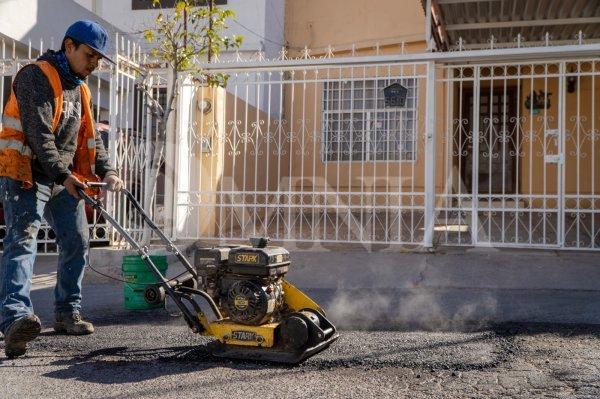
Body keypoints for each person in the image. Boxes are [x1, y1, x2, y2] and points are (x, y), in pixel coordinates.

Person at [0, 20, 123, 359]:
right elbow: (39, 136)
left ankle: (67, 311)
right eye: (90, 55)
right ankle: (15, 319)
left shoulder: (80, 88)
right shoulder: (35, 76)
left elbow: (92, 136)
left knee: (77, 241)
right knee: (22, 243)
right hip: (25, 173)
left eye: (99, 59)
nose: (94, 64)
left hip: (60, 179)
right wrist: (64, 174)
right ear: (69, 46)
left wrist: (108, 170)